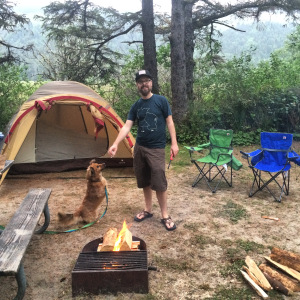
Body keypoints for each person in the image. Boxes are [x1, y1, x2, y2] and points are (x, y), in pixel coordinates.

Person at [108, 70, 179, 231]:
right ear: (137, 85)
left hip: (156, 148)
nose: (144, 84)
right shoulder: (136, 106)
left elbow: (170, 122)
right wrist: (116, 143)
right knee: (144, 180)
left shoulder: (161, 101)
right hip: (139, 148)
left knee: (159, 182)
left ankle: (165, 215)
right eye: (140, 81)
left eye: (146, 80)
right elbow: (127, 126)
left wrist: (174, 143)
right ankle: (148, 210)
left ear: (151, 83)